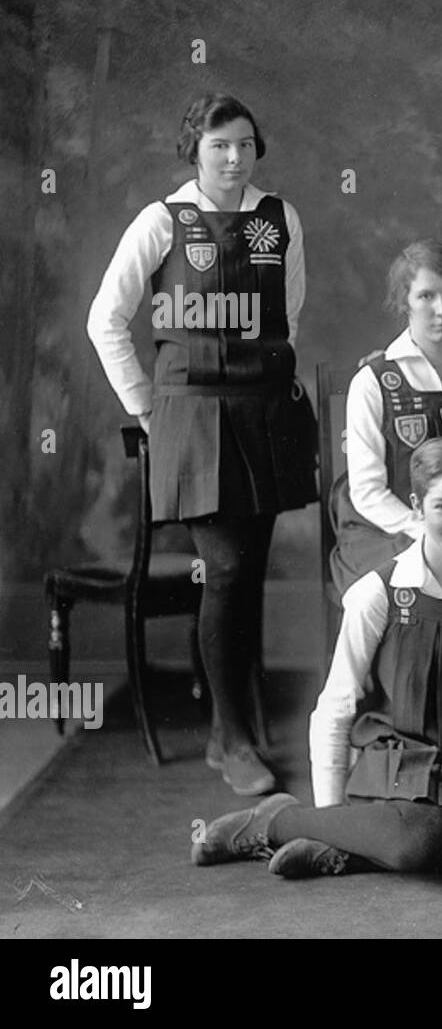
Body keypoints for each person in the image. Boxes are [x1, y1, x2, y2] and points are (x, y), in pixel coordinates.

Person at [191, 438, 442, 878]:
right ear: (417, 505)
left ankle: (368, 850)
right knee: (426, 839)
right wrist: (330, 820)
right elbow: (336, 707)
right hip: (411, 770)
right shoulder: (377, 591)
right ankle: (278, 820)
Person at [87, 93, 317, 796]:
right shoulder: (163, 221)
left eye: (245, 144)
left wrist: (268, 384)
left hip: (264, 417)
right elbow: (106, 320)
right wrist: (148, 411)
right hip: (192, 420)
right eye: (219, 145)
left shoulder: (281, 219)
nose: (233, 157)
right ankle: (235, 737)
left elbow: (290, 315)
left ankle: (230, 725)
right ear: (195, 149)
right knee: (223, 569)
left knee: (246, 574)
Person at [330, 240, 442, 593]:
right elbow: (367, 491)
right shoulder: (374, 379)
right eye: (427, 296)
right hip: (386, 529)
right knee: (422, 584)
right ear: (403, 302)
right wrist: (429, 531)